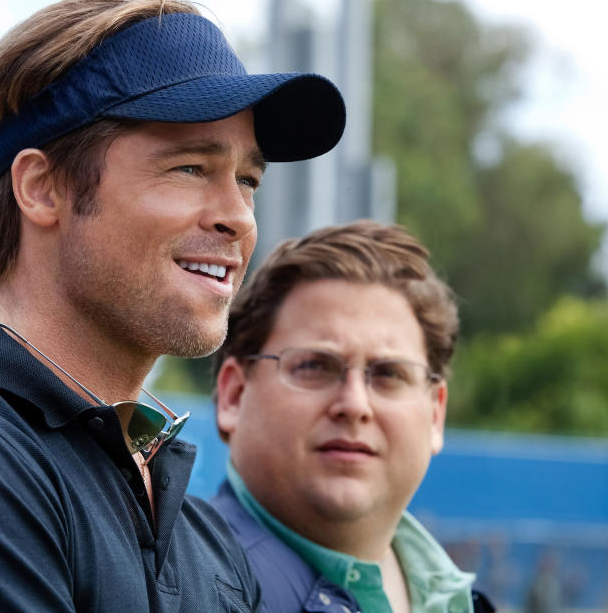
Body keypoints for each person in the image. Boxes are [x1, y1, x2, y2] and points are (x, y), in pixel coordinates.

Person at [0, 0, 344, 611]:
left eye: (248, 181)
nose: (237, 217)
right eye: (190, 169)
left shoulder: (208, 545)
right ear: (42, 189)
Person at [210, 221, 495, 613]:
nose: (355, 404)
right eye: (314, 366)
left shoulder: (459, 601)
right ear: (234, 396)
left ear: (435, 414)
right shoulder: (167, 589)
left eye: (390, 374)